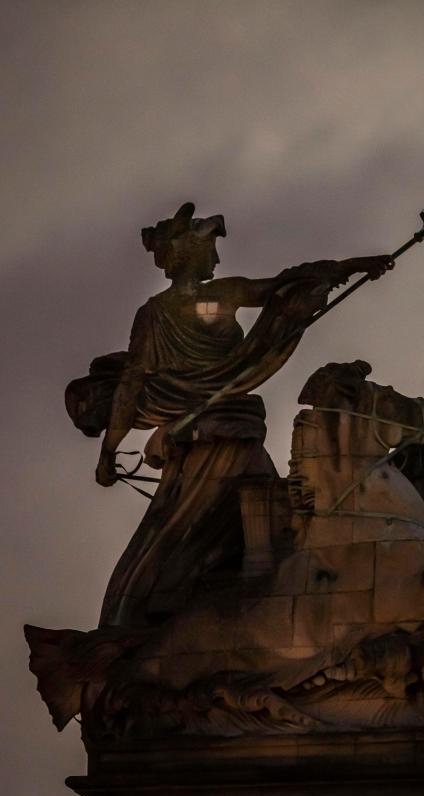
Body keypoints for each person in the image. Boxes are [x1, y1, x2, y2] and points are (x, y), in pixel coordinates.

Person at [65, 202, 393, 627]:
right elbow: (130, 383)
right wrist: (108, 452)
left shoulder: (189, 304)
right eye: (209, 250)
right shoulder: (186, 307)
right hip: (209, 431)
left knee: (256, 495)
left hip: (225, 420)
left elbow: (284, 285)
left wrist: (349, 266)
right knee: (253, 493)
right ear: (186, 255)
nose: (216, 259)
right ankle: (244, 576)